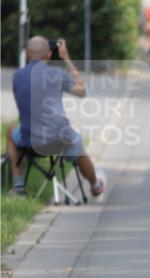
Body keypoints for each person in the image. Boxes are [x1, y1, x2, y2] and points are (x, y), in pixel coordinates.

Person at [6, 37, 104, 197]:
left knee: (10, 131)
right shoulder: (57, 74)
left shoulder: (17, 76)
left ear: (27, 54)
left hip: (29, 141)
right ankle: (95, 185)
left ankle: (18, 188)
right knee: (77, 143)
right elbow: (82, 91)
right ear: (50, 54)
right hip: (58, 142)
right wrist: (66, 58)